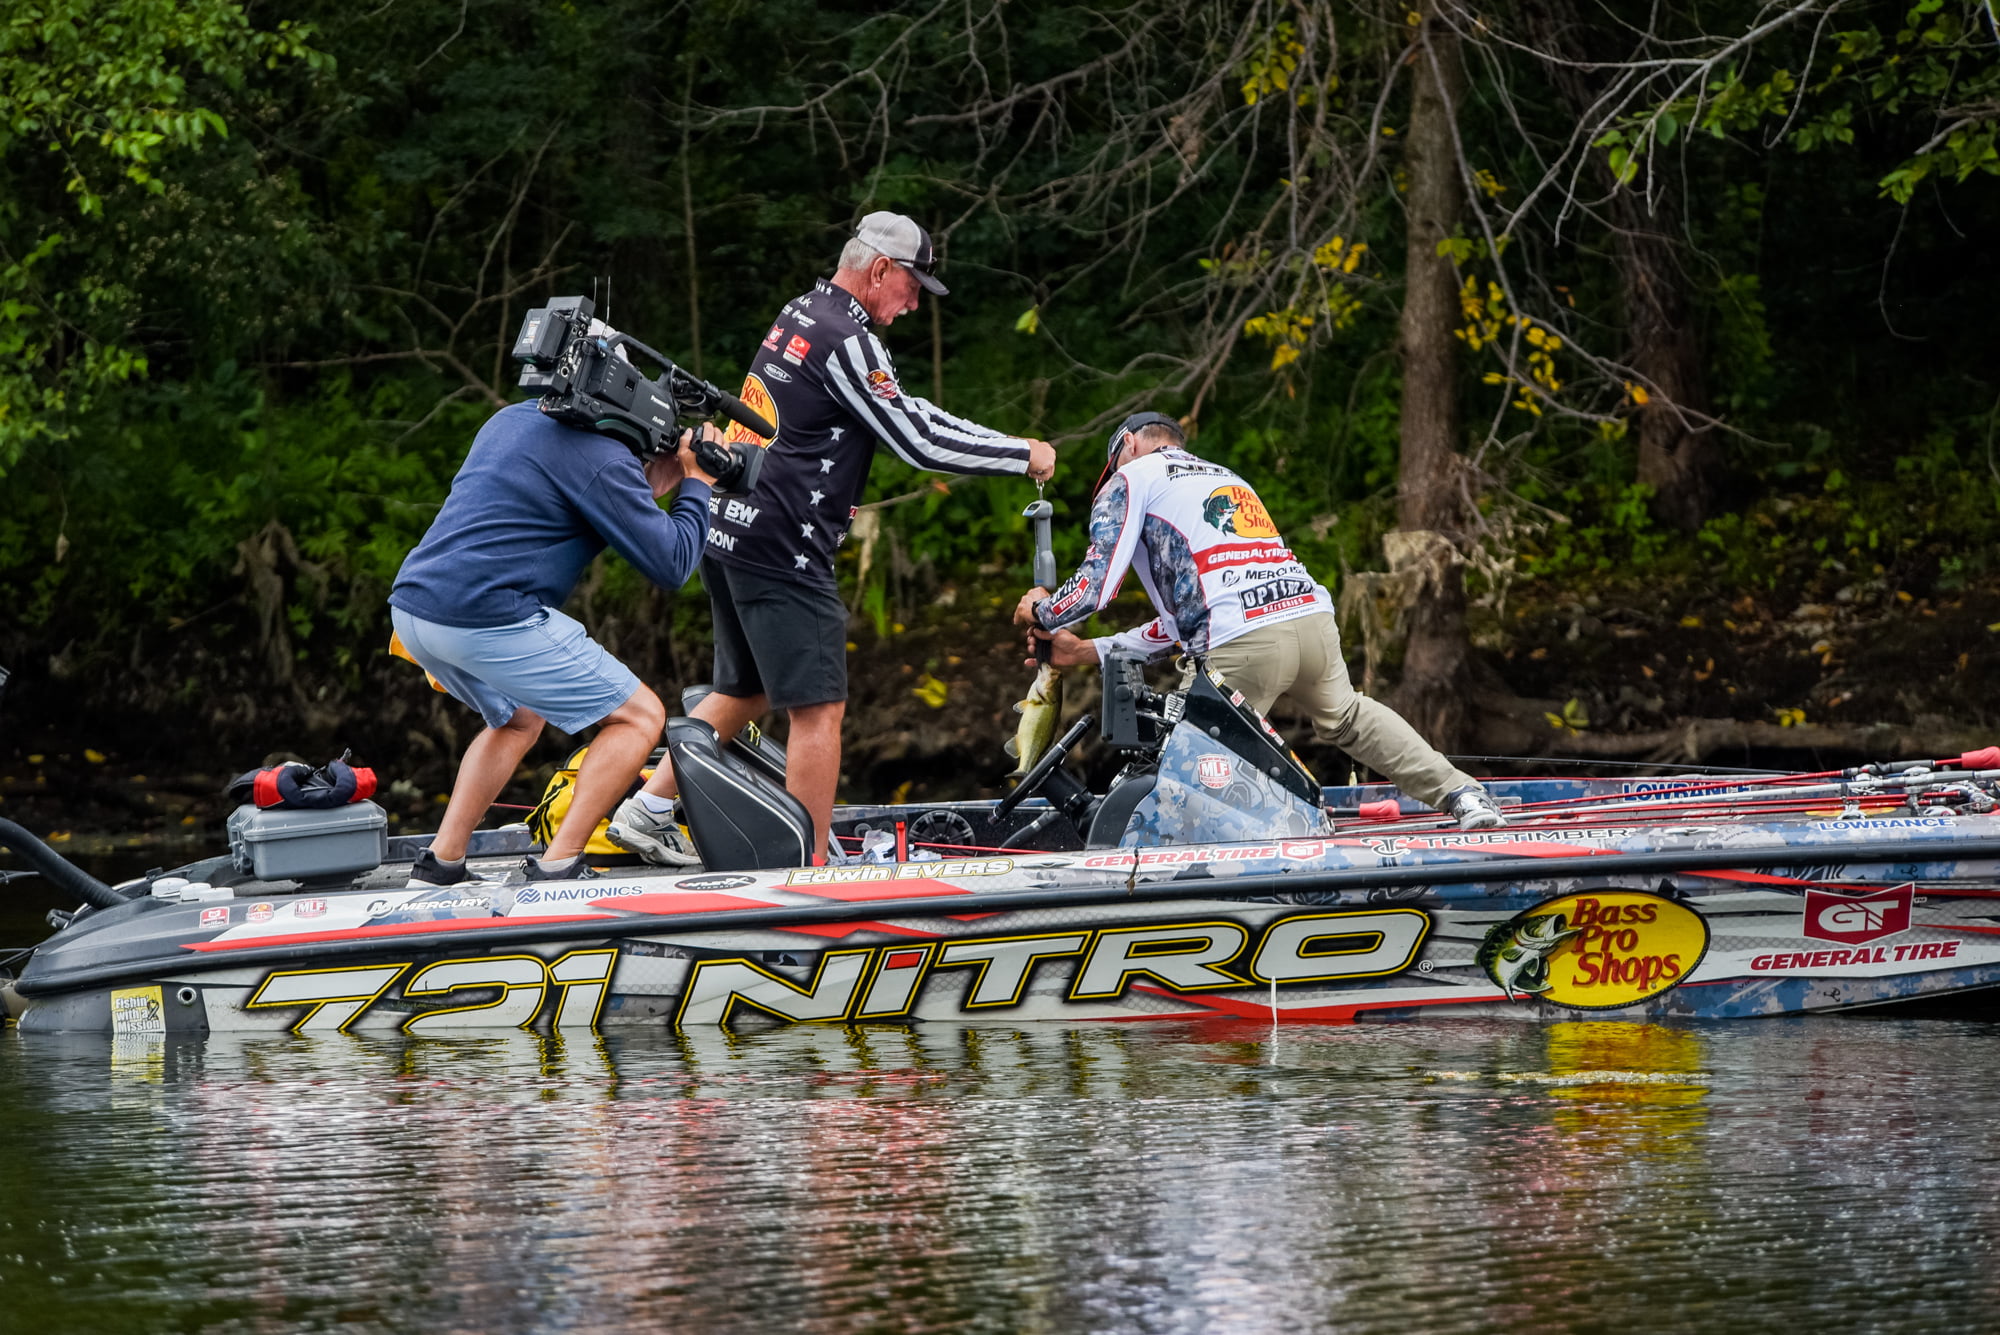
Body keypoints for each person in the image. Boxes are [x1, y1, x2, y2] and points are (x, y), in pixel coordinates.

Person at [607, 211, 1058, 864]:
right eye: (911, 288)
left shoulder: (804, 310)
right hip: (784, 544)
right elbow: (918, 440)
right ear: (880, 269)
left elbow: (900, 409)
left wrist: (1009, 442)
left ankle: (646, 811)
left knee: (746, 690)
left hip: (730, 528)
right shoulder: (849, 338)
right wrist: (1022, 456)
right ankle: (809, 865)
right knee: (819, 711)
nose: (911, 306)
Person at [1012, 411, 1505, 830]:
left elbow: (1099, 585)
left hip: (1240, 645)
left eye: (1114, 461)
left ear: (1130, 444)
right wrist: (1087, 651)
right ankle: (1463, 795)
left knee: (1181, 780)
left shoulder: (1130, 479)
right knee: (1348, 716)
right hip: (1309, 618)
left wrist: (1042, 608)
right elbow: (1190, 613)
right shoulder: (1225, 477)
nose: (1113, 472)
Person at [388, 392, 720, 885]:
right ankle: (559, 865)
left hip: (414, 611)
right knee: (640, 717)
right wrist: (698, 484)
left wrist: (647, 485)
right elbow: (673, 564)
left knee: (519, 719)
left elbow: (575, 496)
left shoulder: (514, 419)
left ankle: (441, 863)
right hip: (485, 616)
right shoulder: (603, 459)